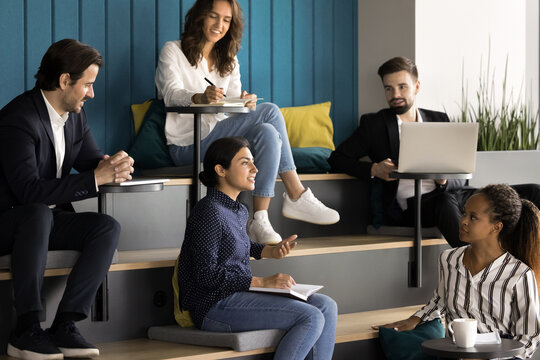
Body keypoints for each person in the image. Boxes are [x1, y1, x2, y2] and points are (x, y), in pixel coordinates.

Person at [155, 0, 339, 245]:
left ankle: (259, 219)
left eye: (226, 20)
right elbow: (170, 93)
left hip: (221, 141)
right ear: (200, 16)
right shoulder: (173, 50)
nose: (219, 25)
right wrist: (198, 97)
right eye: (213, 16)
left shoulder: (228, 59)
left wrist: (245, 103)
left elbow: (233, 112)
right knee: (271, 111)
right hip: (188, 146)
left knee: (267, 131)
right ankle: (296, 194)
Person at [0, 39, 135, 360]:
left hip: (42, 221)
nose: (92, 93)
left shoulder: (74, 116)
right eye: (87, 85)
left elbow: (91, 161)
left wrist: (114, 165)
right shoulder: (18, 119)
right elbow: (28, 193)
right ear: (64, 81)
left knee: (105, 228)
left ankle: (66, 323)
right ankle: (25, 328)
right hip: (10, 220)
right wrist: (95, 178)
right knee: (37, 213)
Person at [328, 56, 540, 247]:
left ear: (417, 86)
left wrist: (443, 182)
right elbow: (337, 159)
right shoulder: (374, 124)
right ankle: (471, 262)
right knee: (444, 202)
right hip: (411, 207)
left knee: (532, 191)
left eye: (402, 87)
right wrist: (375, 169)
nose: (395, 94)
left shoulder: (439, 119)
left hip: (452, 195)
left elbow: (461, 180)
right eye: (388, 88)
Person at [176, 136, 338, 360]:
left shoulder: (238, 209)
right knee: (311, 316)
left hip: (238, 295)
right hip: (213, 306)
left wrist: (270, 251)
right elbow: (205, 274)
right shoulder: (208, 211)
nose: (255, 168)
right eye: (245, 163)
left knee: (326, 306)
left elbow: (235, 243)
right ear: (220, 170)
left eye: (253, 162)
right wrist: (262, 282)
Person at [374, 184, 540, 359]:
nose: (463, 221)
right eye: (463, 213)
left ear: (496, 227)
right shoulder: (449, 259)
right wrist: (415, 319)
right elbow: (441, 300)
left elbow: (529, 337)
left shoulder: (519, 274)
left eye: (473, 217)